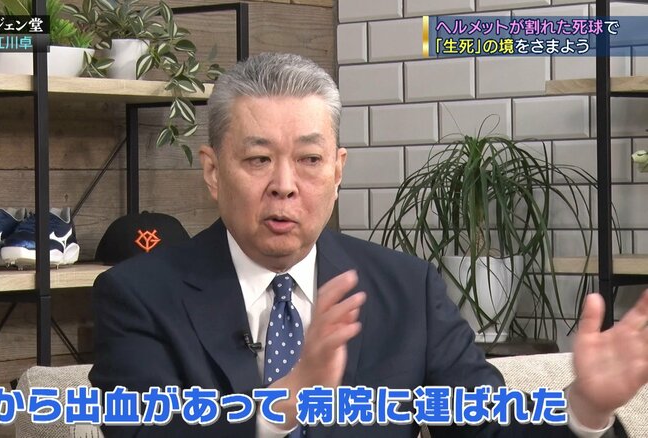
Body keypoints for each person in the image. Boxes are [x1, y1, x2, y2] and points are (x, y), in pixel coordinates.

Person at [89, 52, 648, 437]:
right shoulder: (137, 295)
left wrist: (585, 407)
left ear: (338, 171)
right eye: (258, 159)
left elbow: (489, 427)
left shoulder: (406, 289)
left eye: (309, 159)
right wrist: (283, 403)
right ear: (213, 172)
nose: (284, 184)